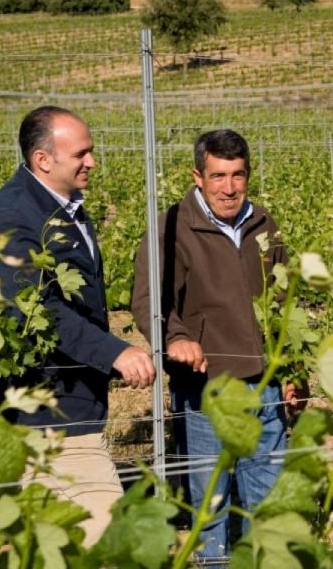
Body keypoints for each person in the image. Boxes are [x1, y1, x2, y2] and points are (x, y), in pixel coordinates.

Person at [0, 105, 155, 547]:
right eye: (81, 153)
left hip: (71, 406)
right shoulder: (13, 216)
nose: (91, 162)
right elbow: (34, 310)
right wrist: (113, 351)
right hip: (48, 419)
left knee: (52, 548)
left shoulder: (60, 206)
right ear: (43, 160)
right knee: (108, 542)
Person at [131, 129, 289, 561]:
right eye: (218, 176)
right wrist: (176, 337)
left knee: (268, 494)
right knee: (210, 504)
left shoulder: (263, 222)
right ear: (197, 176)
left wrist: (293, 372)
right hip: (204, 386)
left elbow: (284, 302)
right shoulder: (169, 228)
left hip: (264, 383)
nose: (230, 188)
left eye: (238, 175)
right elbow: (148, 300)